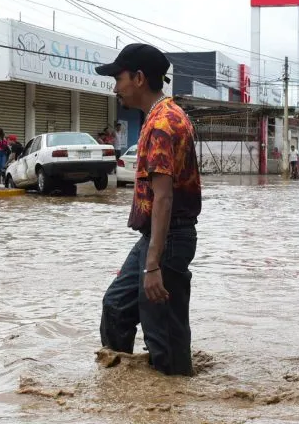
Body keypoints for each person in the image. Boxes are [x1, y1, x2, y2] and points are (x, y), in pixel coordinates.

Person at [95, 43, 201, 376]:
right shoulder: (159, 117)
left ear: (138, 78)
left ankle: (172, 399)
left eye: (118, 78)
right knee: (116, 306)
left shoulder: (162, 124)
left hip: (167, 239)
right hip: (155, 237)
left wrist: (152, 264)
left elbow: (164, 197)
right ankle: (125, 390)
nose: (115, 87)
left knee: (164, 335)